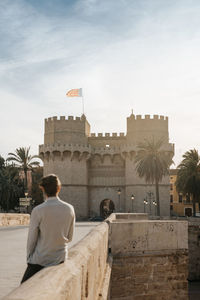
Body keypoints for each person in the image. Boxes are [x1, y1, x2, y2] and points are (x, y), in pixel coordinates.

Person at [21, 174, 75, 283]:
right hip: (60, 258)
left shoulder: (38, 210)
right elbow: (69, 238)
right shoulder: (70, 209)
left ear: (43, 189)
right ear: (59, 189)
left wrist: (29, 258)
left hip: (40, 260)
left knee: (24, 286)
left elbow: (32, 239)